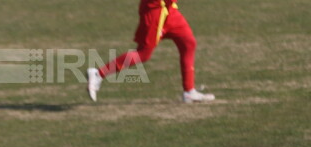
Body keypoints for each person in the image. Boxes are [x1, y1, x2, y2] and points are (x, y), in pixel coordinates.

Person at [86, 1, 215, 103]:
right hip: (155, 11)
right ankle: (98, 74)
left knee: (188, 43)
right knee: (143, 53)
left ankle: (189, 92)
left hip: (168, 10)